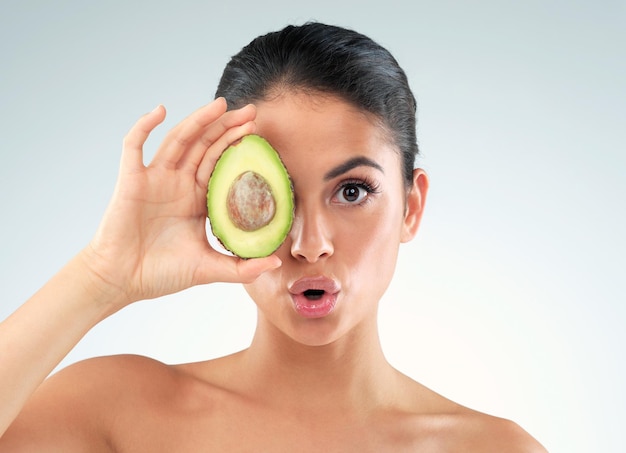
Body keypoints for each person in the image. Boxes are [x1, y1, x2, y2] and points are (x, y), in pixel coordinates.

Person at [0, 22, 546, 451]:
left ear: (411, 206)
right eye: (266, 193)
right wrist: (103, 274)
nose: (310, 244)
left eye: (352, 191)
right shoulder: (114, 412)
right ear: (216, 206)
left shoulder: (494, 449)